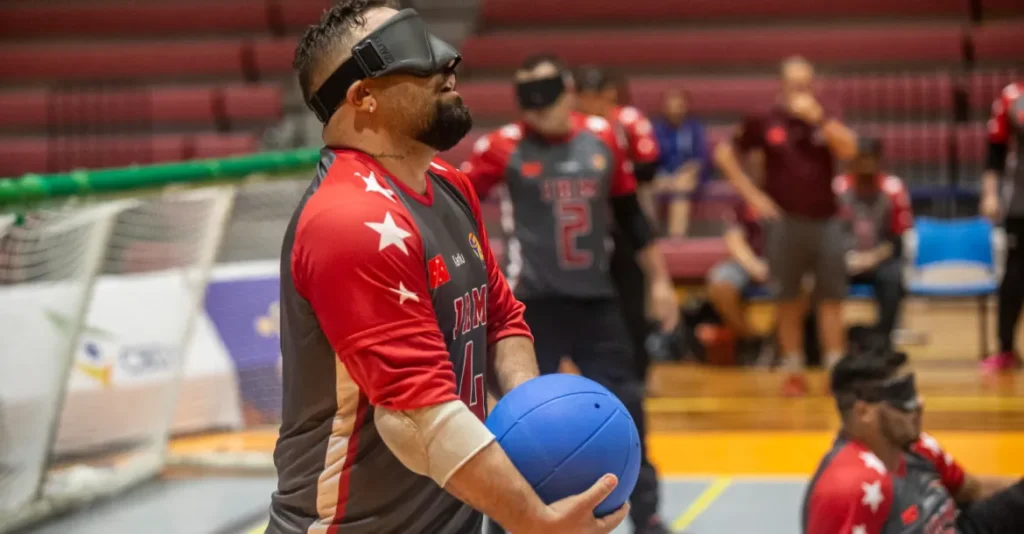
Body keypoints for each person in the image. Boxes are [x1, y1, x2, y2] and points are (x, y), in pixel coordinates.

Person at [269, 4, 630, 534]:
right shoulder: (350, 220)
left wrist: (532, 426)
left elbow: (500, 320)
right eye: (412, 54)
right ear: (362, 98)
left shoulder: (447, 183)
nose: (447, 64)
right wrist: (532, 520)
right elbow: (415, 415)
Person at [463, 54, 681, 534]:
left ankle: (646, 515)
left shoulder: (603, 137)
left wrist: (661, 282)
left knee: (625, 408)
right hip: (530, 305)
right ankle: (507, 520)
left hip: (596, 300)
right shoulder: (502, 146)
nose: (536, 108)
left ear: (566, 90)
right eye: (525, 97)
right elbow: (455, 202)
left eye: (543, 94)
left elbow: (631, 216)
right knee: (519, 421)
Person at [714, 55, 858, 396]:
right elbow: (724, 153)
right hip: (784, 223)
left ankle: (834, 369)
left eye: (806, 84)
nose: (801, 90)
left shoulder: (826, 114)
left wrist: (820, 119)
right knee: (788, 299)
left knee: (831, 299)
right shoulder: (765, 119)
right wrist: (752, 196)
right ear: (781, 85)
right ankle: (793, 370)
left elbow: (850, 149)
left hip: (827, 220)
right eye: (794, 84)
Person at [802, 347, 1024, 533]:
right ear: (863, 413)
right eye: (902, 395)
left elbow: (972, 490)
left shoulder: (918, 447)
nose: (919, 402)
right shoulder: (850, 488)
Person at [576, 65, 664, 385]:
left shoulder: (628, 121)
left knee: (632, 301)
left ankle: (638, 374)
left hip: (624, 216)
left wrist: (610, 165)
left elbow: (649, 166)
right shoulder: (572, 127)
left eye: (602, 96)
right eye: (588, 97)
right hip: (583, 225)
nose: (595, 103)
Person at [833, 137, 913, 349]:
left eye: (871, 160)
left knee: (893, 277)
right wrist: (846, 258)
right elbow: (828, 235)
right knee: (818, 278)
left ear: (879, 161)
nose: (866, 166)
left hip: (879, 257)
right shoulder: (838, 189)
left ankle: (883, 341)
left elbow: (897, 240)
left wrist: (872, 258)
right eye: (861, 160)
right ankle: (820, 344)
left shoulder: (893, 189)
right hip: (841, 259)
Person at [979, 81, 1024, 372]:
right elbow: (995, 152)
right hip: (1021, 202)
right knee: (1015, 275)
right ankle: (1006, 348)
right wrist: (990, 193)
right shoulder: (1013, 97)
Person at [705, 198, 770, 362]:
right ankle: (751, 340)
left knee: (805, 282)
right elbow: (734, 239)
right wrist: (753, 265)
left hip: (787, 260)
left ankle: (784, 343)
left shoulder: (793, 196)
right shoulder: (741, 203)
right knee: (720, 283)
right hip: (746, 262)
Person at [652, 88, 713, 237]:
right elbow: (650, 158)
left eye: (678, 105)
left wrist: (688, 171)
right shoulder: (656, 129)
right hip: (662, 176)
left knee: (681, 188)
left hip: (688, 177)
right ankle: (650, 238)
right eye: (671, 105)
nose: (675, 109)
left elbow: (702, 158)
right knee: (646, 189)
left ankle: (676, 238)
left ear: (685, 106)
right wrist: (661, 176)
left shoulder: (694, 128)